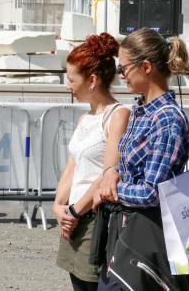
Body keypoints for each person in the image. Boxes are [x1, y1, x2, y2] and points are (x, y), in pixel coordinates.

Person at [96, 28, 189, 291]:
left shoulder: (166, 118)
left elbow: (152, 192)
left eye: (124, 68)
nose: (121, 75)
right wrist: (111, 173)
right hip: (130, 232)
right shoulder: (143, 109)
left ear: (146, 67)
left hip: (148, 237)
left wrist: (112, 190)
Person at [53, 33, 130, 291]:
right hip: (74, 215)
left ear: (93, 80)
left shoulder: (118, 115)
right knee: (78, 281)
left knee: (92, 282)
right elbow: (72, 166)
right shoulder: (85, 118)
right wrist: (58, 205)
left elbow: (108, 172)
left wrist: (75, 211)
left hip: (95, 217)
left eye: (72, 79)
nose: (68, 85)